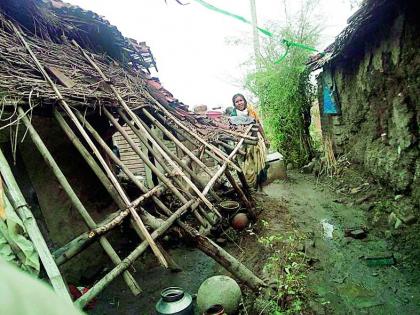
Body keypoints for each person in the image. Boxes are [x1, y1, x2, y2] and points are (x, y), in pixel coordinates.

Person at [229, 93, 269, 189]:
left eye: (241, 100)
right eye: (237, 102)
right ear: (234, 104)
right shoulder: (233, 116)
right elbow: (232, 131)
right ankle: (252, 186)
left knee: (259, 163)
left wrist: (265, 138)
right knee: (247, 165)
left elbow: (258, 125)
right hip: (243, 143)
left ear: (244, 101)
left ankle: (261, 186)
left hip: (255, 140)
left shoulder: (251, 112)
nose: (239, 103)